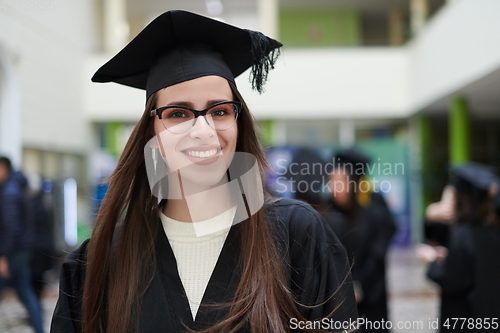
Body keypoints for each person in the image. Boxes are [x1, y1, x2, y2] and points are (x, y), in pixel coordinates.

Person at [50, 10, 358, 333]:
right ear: (151, 132)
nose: (203, 130)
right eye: (178, 113)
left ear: (238, 123)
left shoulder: (295, 236)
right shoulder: (101, 260)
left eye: (220, 111)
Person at [421, 162, 500, 333]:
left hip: (464, 319)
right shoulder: (491, 232)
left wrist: (433, 261)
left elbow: (452, 281)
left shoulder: (462, 235)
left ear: (461, 200)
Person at [323, 149, 396, 333]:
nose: (334, 188)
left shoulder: (373, 211)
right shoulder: (328, 213)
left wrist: (360, 284)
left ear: (353, 184)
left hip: (370, 293)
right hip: (338, 299)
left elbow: (377, 253)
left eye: (340, 182)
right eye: (331, 182)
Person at [0, 156, 45, 333]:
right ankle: (40, 328)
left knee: (25, 293)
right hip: (22, 250)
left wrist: (4, 256)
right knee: (25, 292)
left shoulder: (8, 193)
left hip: (14, 252)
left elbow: (11, 228)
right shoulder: (15, 188)